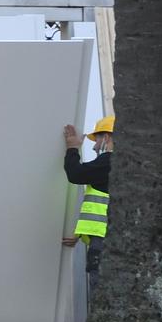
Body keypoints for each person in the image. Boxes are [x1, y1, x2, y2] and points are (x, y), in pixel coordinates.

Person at [61, 116, 114, 291]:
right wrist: (82, 232)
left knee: (101, 294)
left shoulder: (108, 162)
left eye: (97, 140)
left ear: (106, 137)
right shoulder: (132, 167)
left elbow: (75, 174)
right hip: (107, 238)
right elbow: (104, 204)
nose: (94, 146)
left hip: (103, 242)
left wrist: (72, 148)